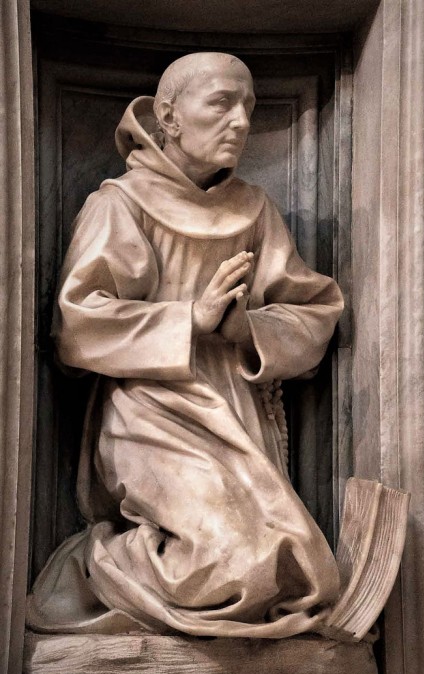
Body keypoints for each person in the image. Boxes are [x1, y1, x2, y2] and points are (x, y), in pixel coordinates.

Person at [27, 52, 344, 638]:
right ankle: (96, 567)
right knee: (224, 565)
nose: (242, 122)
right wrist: (188, 320)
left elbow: (313, 311)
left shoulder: (254, 209)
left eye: (248, 106)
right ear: (169, 117)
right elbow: (75, 326)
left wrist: (243, 328)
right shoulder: (119, 203)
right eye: (222, 103)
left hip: (234, 409)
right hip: (148, 412)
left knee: (298, 568)